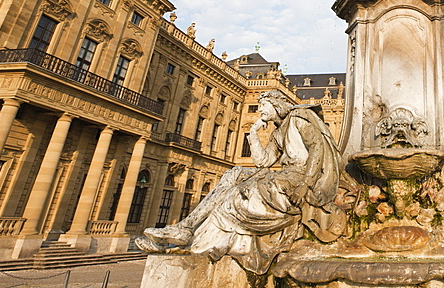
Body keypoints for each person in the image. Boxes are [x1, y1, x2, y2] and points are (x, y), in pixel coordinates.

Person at [137, 90, 345, 273]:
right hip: (285, 174)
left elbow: (318, 148)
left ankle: (191, 241)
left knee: (238, 195)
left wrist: (306, 184)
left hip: (301, 176)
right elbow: (264, 162)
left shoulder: (300, 117)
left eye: (263, 106)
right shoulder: (277, 132)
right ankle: (185, 228)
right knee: (233, 173)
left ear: (276, 104)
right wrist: (252, 133)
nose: (260, 111)